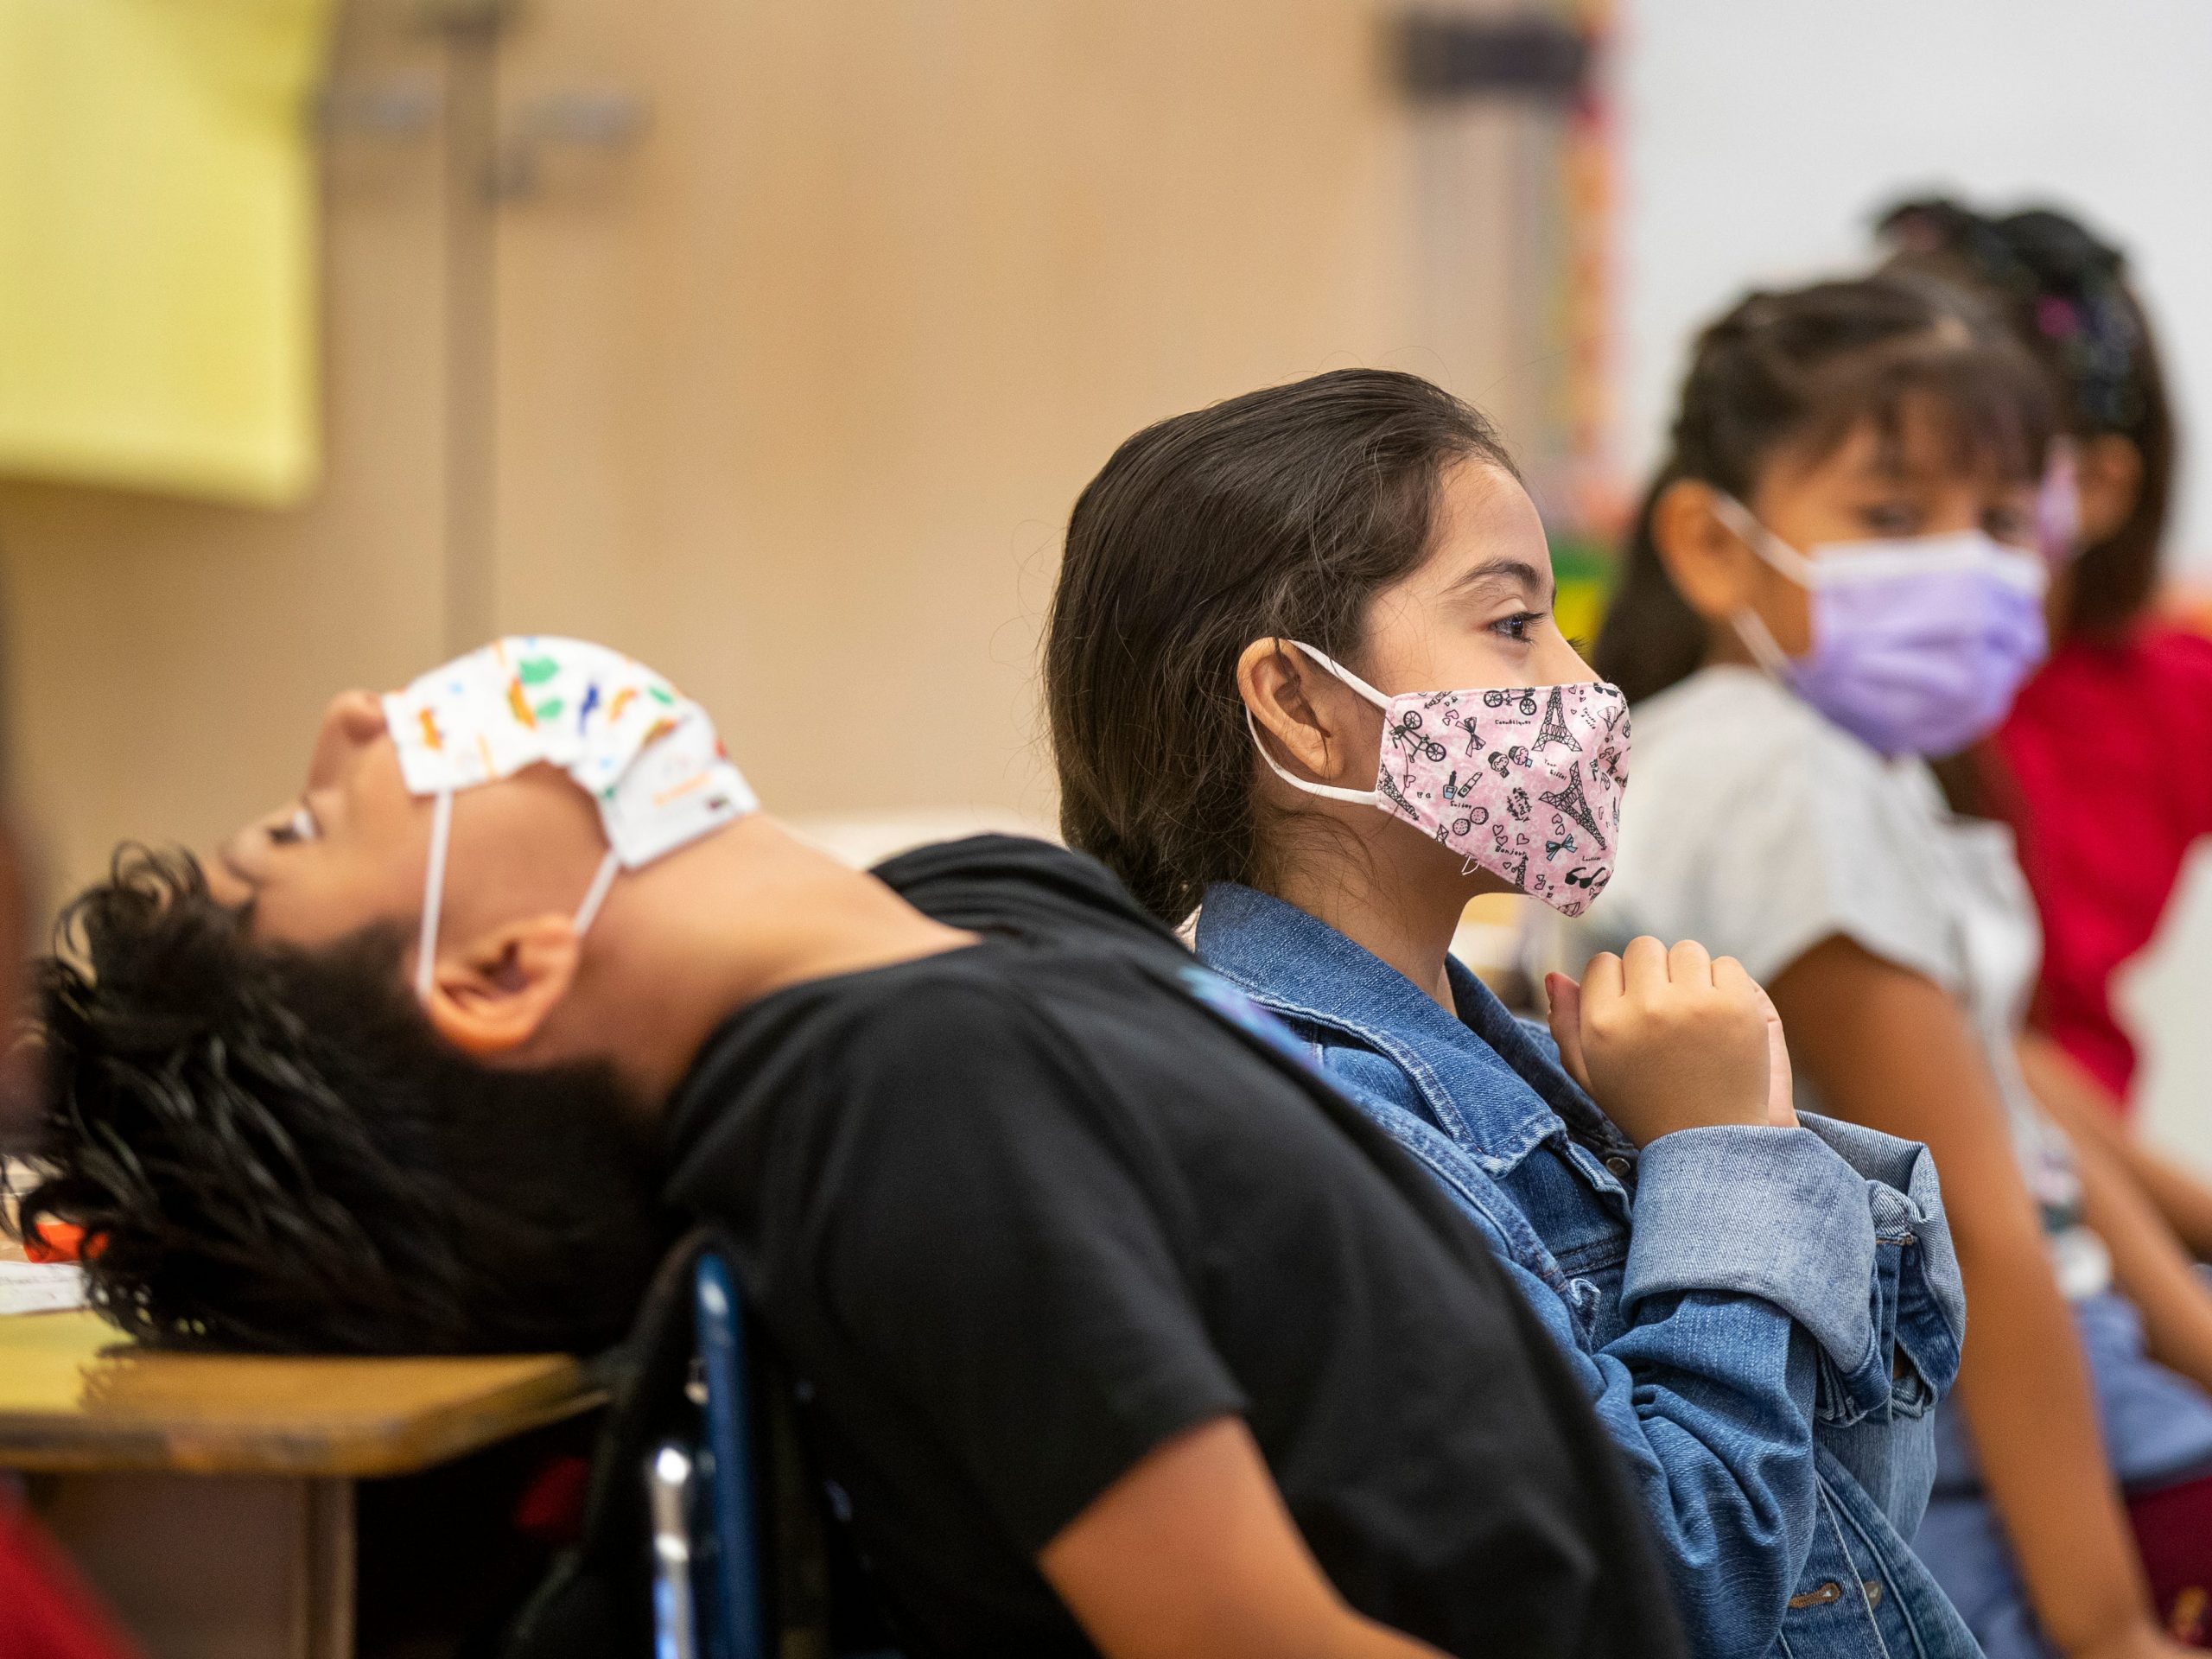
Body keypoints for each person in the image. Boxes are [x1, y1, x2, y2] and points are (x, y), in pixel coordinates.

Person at [12, 636, 1688, 1659]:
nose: (357, 721)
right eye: (309, 832)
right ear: (499, 970)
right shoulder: (895, 1109)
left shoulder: (962, 928)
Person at [1044, 366, 1975, 1658]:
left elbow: (1841, 1528)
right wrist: (1722, 1163)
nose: (1584, 690)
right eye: (1513, 627)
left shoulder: (1532, 1075)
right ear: (1304, 708)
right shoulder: (1322, 1124)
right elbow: (1681, 1588)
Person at [1589, 271, 2212, 1657]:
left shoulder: (1815, 757)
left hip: (2008, 1408)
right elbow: (1982, 1235)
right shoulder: (1782, 787)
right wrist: (2107, 1630)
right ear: (1710, 544)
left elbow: (2015, 1116)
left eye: (2001, 520)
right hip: (1968, 1452)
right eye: (1888, 517)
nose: (1967, 566)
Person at [1876, 197, 2212, 1120]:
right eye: (1886, 501)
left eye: (1989, 496)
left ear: (2097, 487)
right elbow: (1971, 1063)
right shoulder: (1842, 689)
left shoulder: (2176, 690)